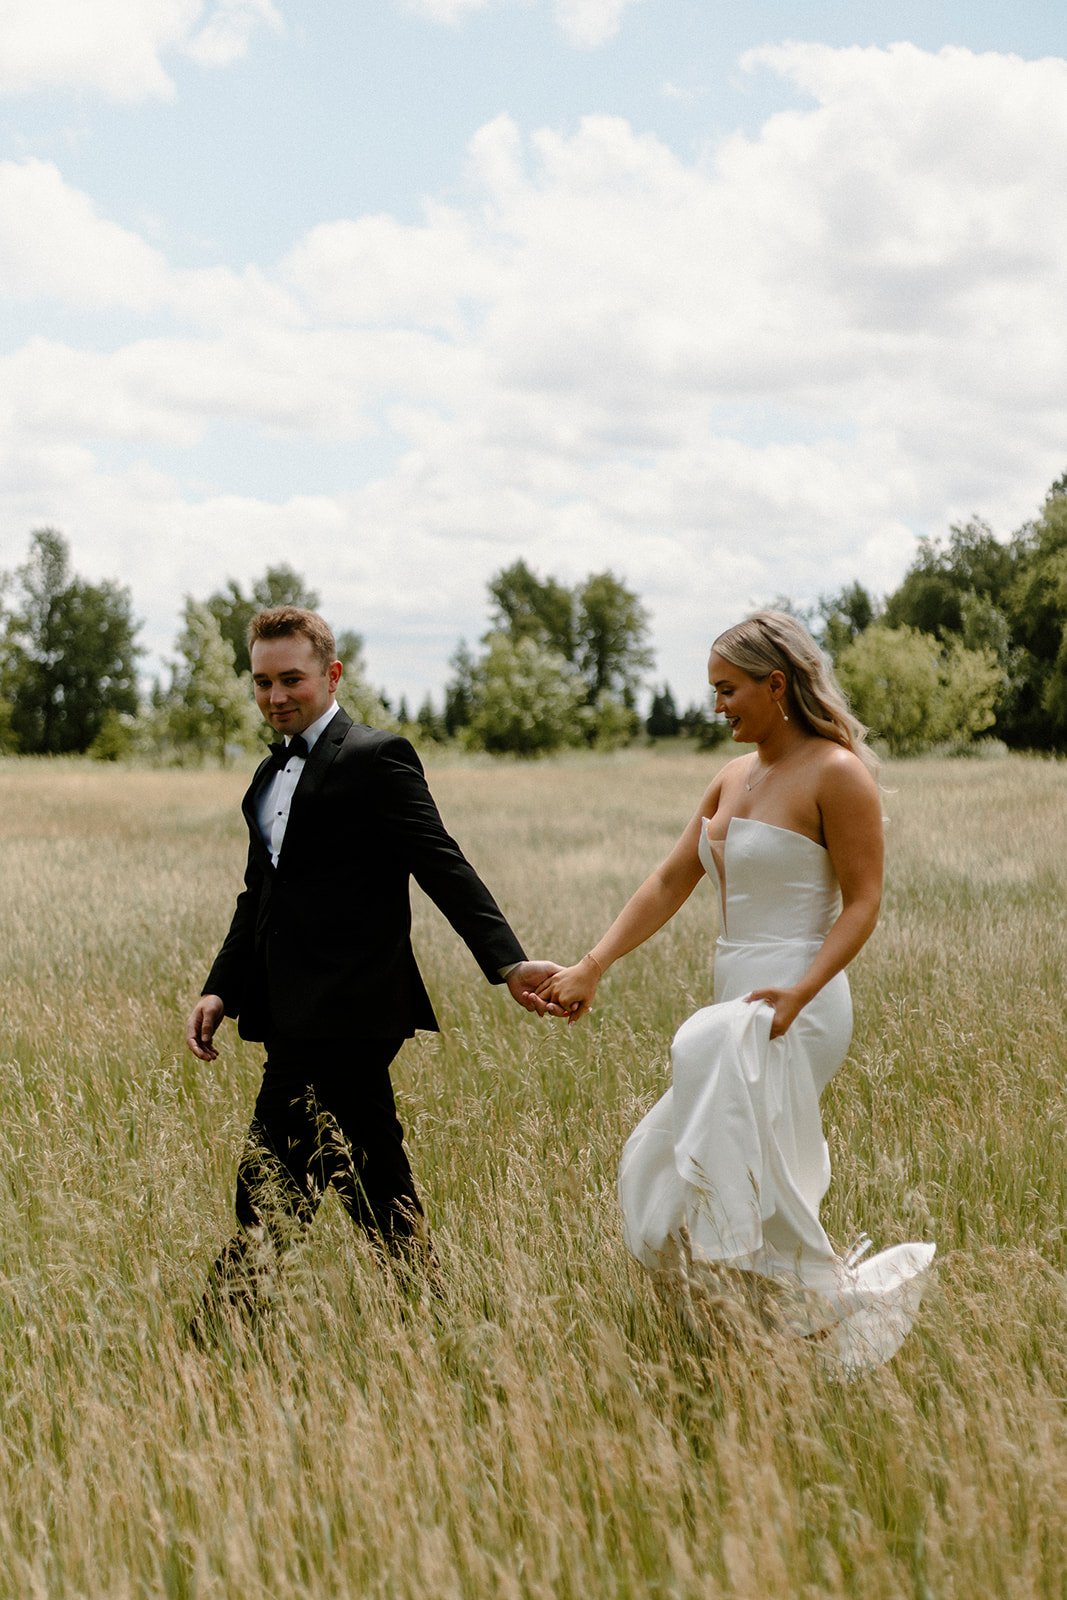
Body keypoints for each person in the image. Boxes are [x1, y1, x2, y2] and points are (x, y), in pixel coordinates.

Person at [538, 611, 934, 1373]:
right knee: (679, 1170)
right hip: (730, 999)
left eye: (727, 690)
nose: (715, 706)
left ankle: (804, 1328)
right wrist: (593, 964)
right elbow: (668, 880)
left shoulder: (836, 773)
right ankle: (761, 1340)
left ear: (775, 684)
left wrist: (799, 989)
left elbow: (862, 903)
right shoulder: (729, 776)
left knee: (744, 1177)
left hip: (799, 1000)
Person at [185, 605, 560, 1332]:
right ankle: (435, 1324)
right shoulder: (269, 773)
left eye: (290, 678)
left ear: (331, 674)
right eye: (261, 681)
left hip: (351, 1013)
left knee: (269, 1182)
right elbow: (257, 892)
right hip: (290, 1009)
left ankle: (218, 1335)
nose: (275, 696)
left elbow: (439, 863)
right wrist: (221, 987)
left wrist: (506, 962)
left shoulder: (376, 756)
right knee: (372, 1180)